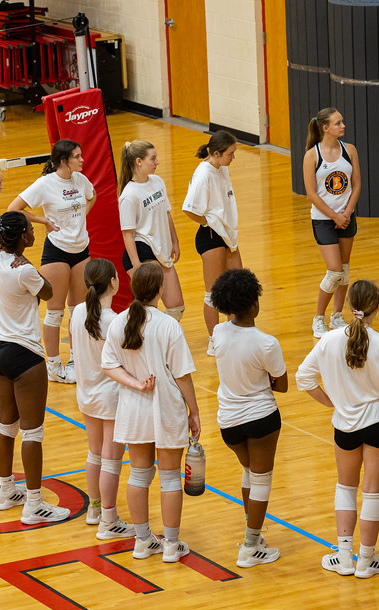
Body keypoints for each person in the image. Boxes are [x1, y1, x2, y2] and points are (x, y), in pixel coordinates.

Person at [296, 280, 379, 579]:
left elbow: (303, 378)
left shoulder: (329, 340)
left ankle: (344, 558)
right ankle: (366, 561)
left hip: (345, 425)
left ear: (348, 306)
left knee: (346, 487)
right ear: (376, 307)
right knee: (373, 490)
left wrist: (333, 402)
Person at [102, 262, 201, 562]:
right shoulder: (169, 325)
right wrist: (194, 411)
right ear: (159, 290)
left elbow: (109, 366)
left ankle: (143, 541)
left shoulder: (118, 323)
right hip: (166, 407)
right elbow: (182, 375)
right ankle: (171, 545)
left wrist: (135, 384)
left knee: (139, 475)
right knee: (170, 479)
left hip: (134, 409)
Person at [0, 211, 70, 524]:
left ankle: (5, 490)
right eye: (30, 230)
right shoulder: (25, 271)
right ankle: (34, 504)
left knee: (6, 425)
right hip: (25, 354)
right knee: (33, 432)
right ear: (22, 236)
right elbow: (48, 292)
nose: (35, 233)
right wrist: (31, 267)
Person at [210, 268, 286, 568]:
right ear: (254, 303)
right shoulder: (266, 343)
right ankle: (250, 547)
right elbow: (282, 385)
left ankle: (251, 534)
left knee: (249, 472)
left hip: (228, 422)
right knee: (261, 480)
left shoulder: (218, 333)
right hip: (261, 418)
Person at [8, 139, 97, 384]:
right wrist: (44, 221)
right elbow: (13, 209)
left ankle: (76, 361)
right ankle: (54, 365)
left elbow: (92, 196)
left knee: (78, 312)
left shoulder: (81, 180)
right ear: (63, 161)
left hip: (82, 249)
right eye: (77, 156)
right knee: (55, 312)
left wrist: (80, 220)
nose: (82, 160)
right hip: (57, 250)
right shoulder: (45, 184)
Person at [69, 258, 135, 539]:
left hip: (86, 393)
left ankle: (95, 509)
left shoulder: (77, 312)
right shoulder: (115, 321)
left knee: (94, 452)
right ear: (113, 283)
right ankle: (109, 520)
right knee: (111, 459)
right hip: (111, 397)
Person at [303, 107, 360, 338]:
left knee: (344, 270)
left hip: (346, 217)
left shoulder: (350, 150)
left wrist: (346, 213)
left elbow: (356, 185)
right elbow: (311, 194)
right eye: (338, 123)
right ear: (325, 128)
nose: (343, 125)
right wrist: (335, 216)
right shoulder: (312, 156)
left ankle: (337, 316)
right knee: (334, 270)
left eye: (342, 121)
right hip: (323, 220)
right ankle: (318, 317)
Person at [182, 130, 240, 355]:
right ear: (216, 153)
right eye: (230, 154)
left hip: (227, 235)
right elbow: (189, 209)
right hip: (211, 236)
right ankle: (213, 340)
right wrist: (208, 223)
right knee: (214, 292)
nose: (233, 157)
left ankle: (233, 335)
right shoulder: (203, 174)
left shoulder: (222, 167)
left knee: (236, 286)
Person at [118, 140, 184, 320]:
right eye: (153, 158)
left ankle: (162, 337)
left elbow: (167, 213)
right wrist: (137, 266)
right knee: (148, 310)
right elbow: (127, 234)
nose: (157, 162)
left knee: (176, 308)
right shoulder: (129, 195)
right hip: (142, 251)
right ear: (139, 161)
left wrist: (175, 241)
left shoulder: (157, 181)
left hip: (162, 248)